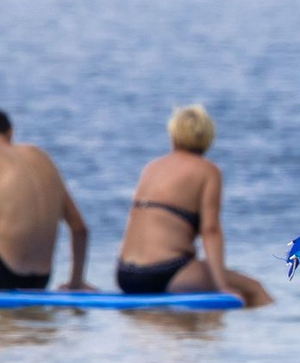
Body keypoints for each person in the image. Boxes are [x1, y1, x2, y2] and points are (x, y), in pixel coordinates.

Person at [116, 105, 272, 307]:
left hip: (125, 275)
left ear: (174, 136)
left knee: (199, 319)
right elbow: (210, 230)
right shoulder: (208, 170)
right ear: (208, 137)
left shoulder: (152, 167)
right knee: (255, 289)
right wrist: (222, 285)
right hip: (164, 273)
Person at [0, 107, 93, 291]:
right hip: (40, 278)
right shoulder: (40, 155)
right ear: (10, 133)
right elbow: (80, 229)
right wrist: (76, 283)